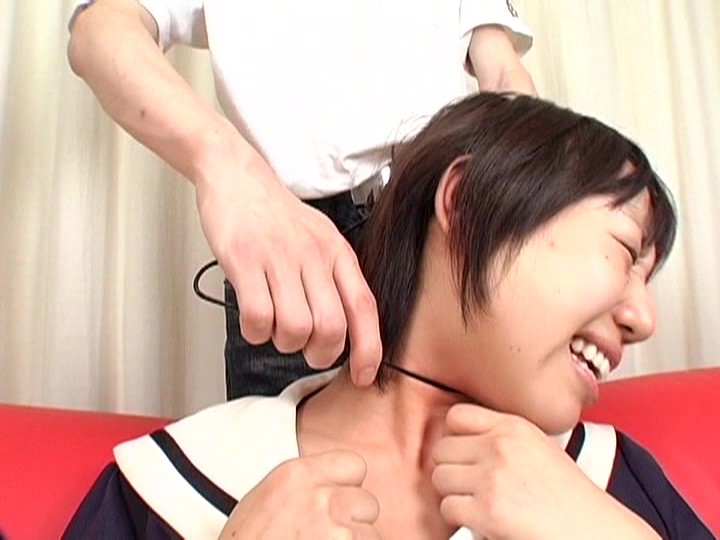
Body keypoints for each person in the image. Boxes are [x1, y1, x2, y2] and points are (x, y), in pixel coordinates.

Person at [65, 93, 712, 538]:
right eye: (624, 251)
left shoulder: (619, 486)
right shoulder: (162, 486)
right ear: (467, 200)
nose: (643, 318)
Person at [67, 0, 538, 398]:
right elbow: (101, 28)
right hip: (293, 250)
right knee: (281, 465)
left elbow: (503, 74)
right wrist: (228, 167)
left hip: (443, 234)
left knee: (458, 464)